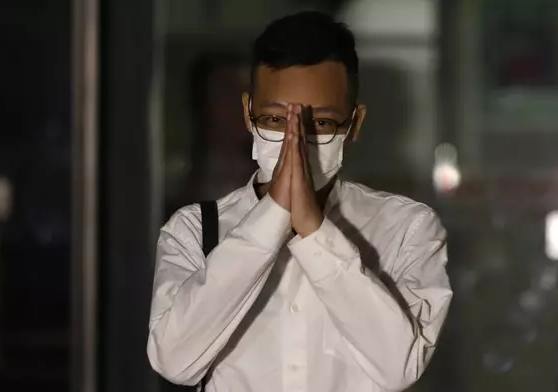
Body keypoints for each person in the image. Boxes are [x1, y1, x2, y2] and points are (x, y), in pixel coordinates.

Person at [147, 11, 452, 392]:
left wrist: (316, 233)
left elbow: (399, 368)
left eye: (320, 124)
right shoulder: (193, 229)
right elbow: (174, 362)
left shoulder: (406, 228)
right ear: (248, 114)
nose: (296, 141)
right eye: (276, 120)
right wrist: (270, 218)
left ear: (353, 125)